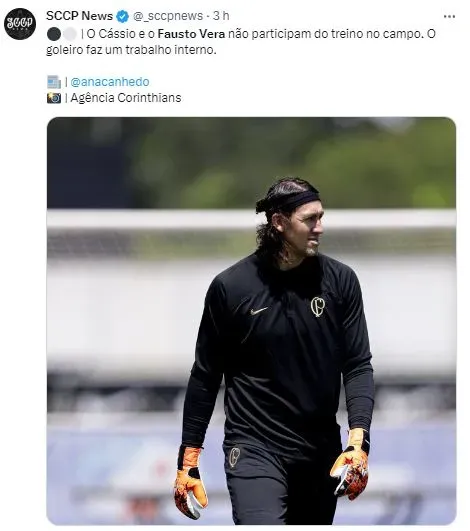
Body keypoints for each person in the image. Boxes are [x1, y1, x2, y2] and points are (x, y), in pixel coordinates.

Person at [173, 177, 375, 525]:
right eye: (309, 219)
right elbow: (205, 377)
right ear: (279, 222)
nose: (320, 227)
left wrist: (358, 442)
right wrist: (188, 458)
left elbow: (357, 366)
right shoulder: (231, 288)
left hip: (319, 452)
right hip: (253, 448)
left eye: (321, 217)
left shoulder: (341, 282)